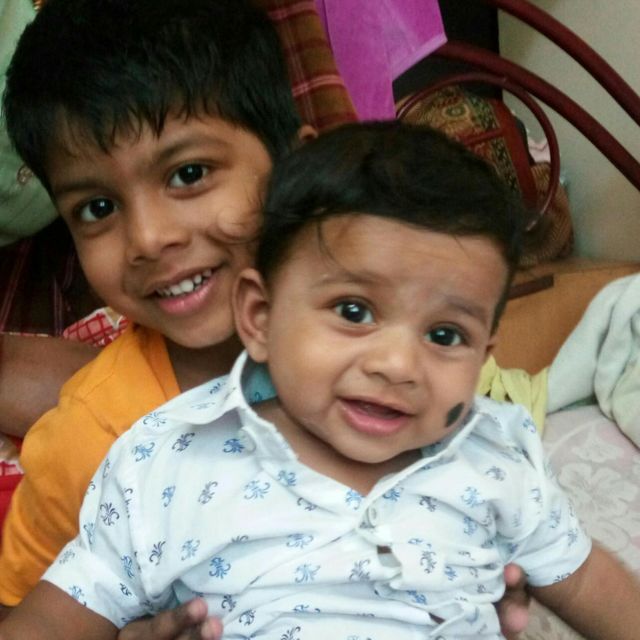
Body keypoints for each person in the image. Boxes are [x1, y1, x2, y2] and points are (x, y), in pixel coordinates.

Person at [0, 1, 531, 636]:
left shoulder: (400, 363)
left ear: (294, 173)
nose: (148, 238)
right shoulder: (90, 443)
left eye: (188, 174)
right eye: (97, 208)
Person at [4, 121, 640, 639]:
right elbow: (57, 616)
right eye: (354, 312)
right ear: (261, 316)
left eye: (446, 336)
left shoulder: (496, 456)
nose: (398, 365)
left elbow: (587, 583)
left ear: (484, 355)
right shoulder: (169, 462)